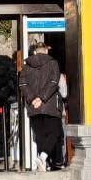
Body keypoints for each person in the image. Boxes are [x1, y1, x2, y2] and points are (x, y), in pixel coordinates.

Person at [19, 37, 63, 171]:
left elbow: (23, 84)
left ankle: (43, 162)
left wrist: (33, 99)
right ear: (46, 51)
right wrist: (42, 98)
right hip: (49, 105)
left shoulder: (26, 66)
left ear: (35, 52)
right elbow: (53, 82)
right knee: (55, 132)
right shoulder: (53, 63)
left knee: (40, 135)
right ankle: (43, 158)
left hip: (33, 107)